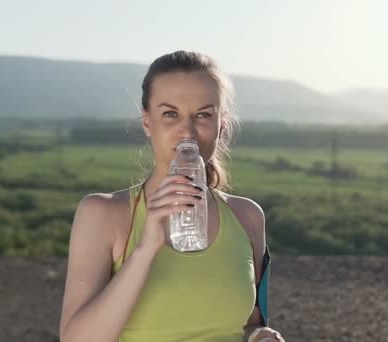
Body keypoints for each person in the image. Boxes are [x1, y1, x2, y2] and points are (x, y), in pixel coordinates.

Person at [59, 50, 285, 342]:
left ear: (222, 125)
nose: (187, 131)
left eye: (203, 115)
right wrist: (146, 248)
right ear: (147, 122)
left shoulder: (247, 217)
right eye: (170, 114)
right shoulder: (103, 214)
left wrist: (259, 337)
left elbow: (250, 322)